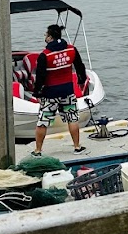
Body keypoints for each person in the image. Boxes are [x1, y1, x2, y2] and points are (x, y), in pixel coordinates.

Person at [31, 23, 89, 156]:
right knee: (72, 119)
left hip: (50, 94)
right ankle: (77, 147)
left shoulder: (45, 55)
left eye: (46, 35)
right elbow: (80, 67)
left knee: (43, 121)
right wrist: (81, 81)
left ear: (50, 37)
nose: (45, 37)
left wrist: (37, 93)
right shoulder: (71, 50)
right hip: (67, 91)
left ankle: (38, 150)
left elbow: (40, 77)